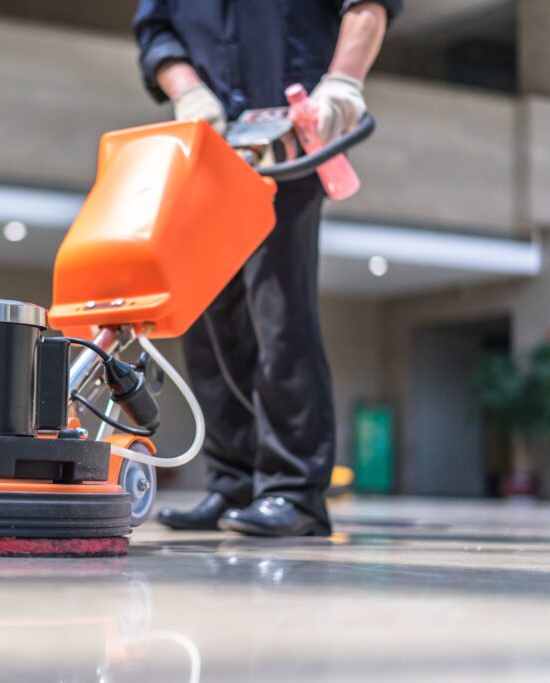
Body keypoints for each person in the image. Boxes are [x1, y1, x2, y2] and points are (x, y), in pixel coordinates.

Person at [134, 0, 400, 536]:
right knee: (212, 318)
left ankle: (294, 490)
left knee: (279, 314)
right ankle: (232, 481)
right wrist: (187, 89)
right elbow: (156, 28)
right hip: (209, 146)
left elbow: (367, 5)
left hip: (288, 142)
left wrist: (343, 81)